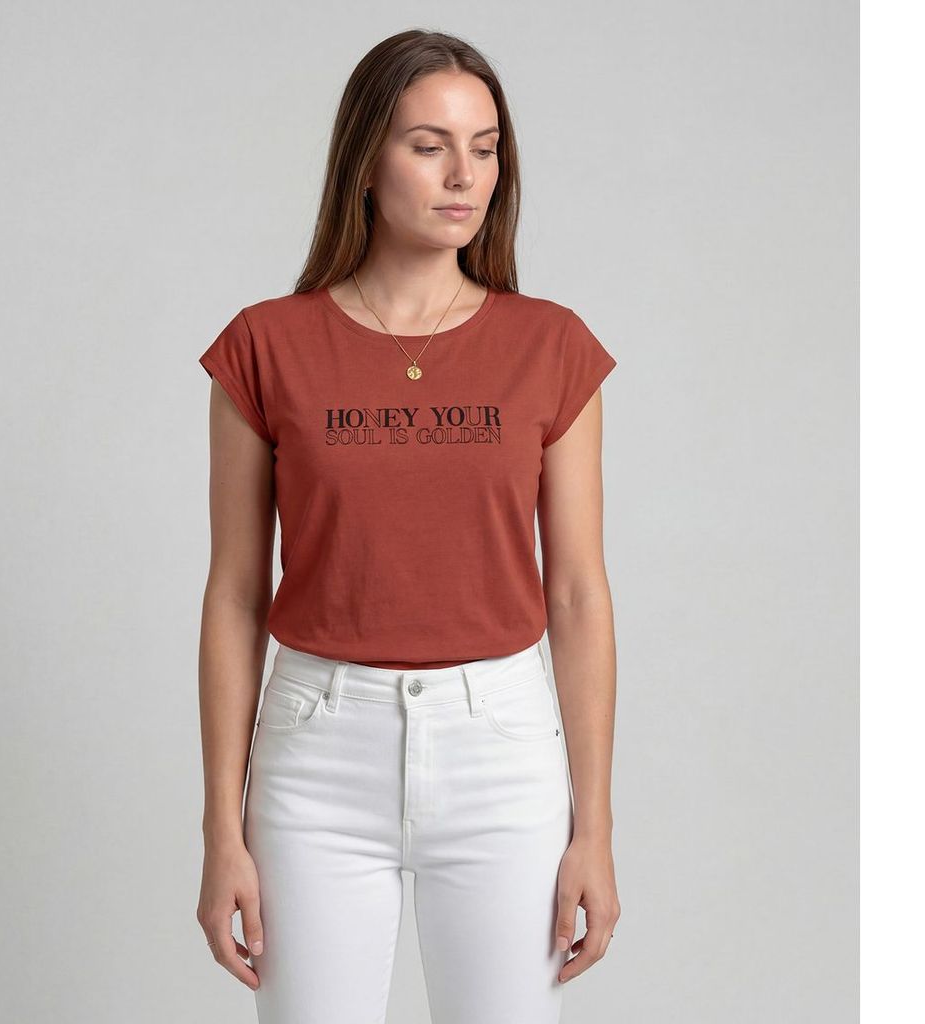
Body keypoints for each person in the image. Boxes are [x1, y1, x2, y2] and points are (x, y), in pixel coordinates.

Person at [195, 28, 621, 1024]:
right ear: (364, 162)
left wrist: (593, 828)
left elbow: (576, 594)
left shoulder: (551, 346)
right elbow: (234, 595)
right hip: (316, 751)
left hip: (502, 747)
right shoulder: (266, 346)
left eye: (485, 147)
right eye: (429, 146)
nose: (463, 175)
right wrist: (221, 829)